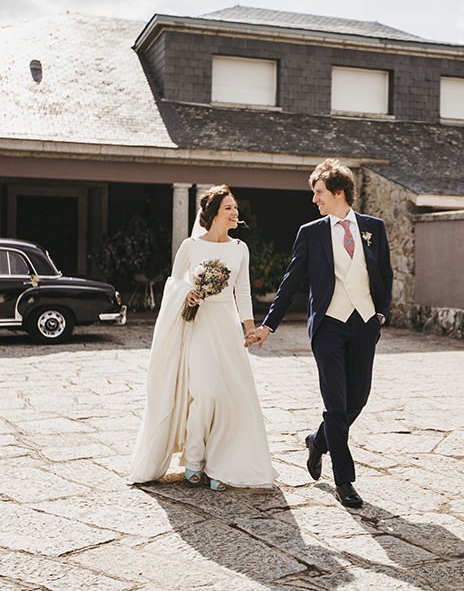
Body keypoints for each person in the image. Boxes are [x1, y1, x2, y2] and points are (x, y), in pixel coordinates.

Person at [252, 159, 393, 508]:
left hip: (363, 324)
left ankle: (317, 441)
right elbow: (291, 282)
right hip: (328, 327)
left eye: (318, 193)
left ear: (338, 192)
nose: (314, 199)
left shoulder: (373, 228)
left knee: (356, 399)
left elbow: (385, 275)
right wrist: (269, 324)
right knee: (335, 404)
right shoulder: (311, 232)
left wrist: (380, 315)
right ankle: (345, 481)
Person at [128, 185, 277, 490]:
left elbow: (243, 291)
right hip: (198, 326)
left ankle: (217, 463)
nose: (235, 213)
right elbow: (174, 286)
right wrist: (189, 295)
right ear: (212, 214)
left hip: (228, 327)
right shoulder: (190, 246)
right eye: (228, 208)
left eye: (236, 208)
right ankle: (193, 459)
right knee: (205, 391)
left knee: (227, 398)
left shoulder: (239, 249)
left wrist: (250, 329)